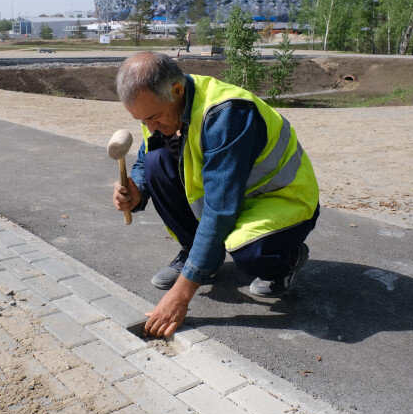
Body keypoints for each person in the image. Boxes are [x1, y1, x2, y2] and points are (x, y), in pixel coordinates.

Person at [111, 52, 320, 338]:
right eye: (141, 119)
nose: (149, 127)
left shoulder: (227, 115)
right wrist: (137, 189)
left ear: (177, 90)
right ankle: (196, 257)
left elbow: (220, 209)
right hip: (233, 195)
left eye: (153, 117)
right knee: (154, 164)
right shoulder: (159, 106)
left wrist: (181, 295)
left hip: (281, 199)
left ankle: (289, 258)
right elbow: (147, 155)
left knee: (249, 252)